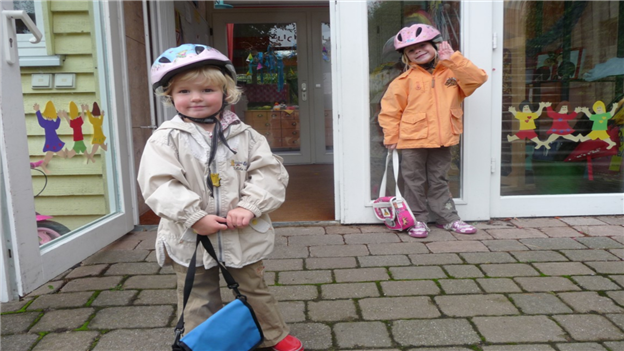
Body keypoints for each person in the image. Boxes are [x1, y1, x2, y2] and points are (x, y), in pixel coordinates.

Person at [137, 44, 303, 351]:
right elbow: (159, 184)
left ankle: (273, 334)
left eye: (207, 89)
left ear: (226, 93)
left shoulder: (247, 135)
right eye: (184, 91)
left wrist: (249, 205)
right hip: (191, 237)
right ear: (170, 97)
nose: (196, 98)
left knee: (254, 288)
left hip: (241, 234)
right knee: (198, 295)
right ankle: (204, 343)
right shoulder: (165, 139)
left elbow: (270, 173)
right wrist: (193, 217)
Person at [377, 24, 488, 238]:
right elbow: (390, 110)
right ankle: (417, 219)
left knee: (439, 179)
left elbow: (478, 79)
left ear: (434, 45)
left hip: (442, 138)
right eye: (411, 50)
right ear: (406, 57)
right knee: (413, 180)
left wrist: (453, 59)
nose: (418, 51)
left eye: (423, 45)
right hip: (411, 140)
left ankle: (447, 218)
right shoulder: (403, 81)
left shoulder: (452, 73)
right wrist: (391, 137)